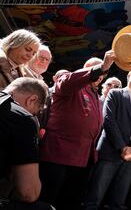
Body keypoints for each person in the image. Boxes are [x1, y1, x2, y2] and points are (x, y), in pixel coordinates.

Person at [38, 50, 116, 210]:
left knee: (69, 203)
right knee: (45, 202)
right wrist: (101, 66)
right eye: (96, 70)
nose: (100, 75)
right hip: (58, 155)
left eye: (103, 73)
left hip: (82, 159)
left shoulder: (95, 95)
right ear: (85, 69)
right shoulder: (70, 83)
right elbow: (67, 81)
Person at [84, 67, 131, 210]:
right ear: (128, 75)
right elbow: (108, 120)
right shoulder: (115, 94)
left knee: (118, 202)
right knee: (94, 198)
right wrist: (122, 147)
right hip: (110, 152)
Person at [0, 77, 51, 210]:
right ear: (32, 100)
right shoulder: (23, 118)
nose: (34, 116)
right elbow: (29, 193)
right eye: (35, 112)